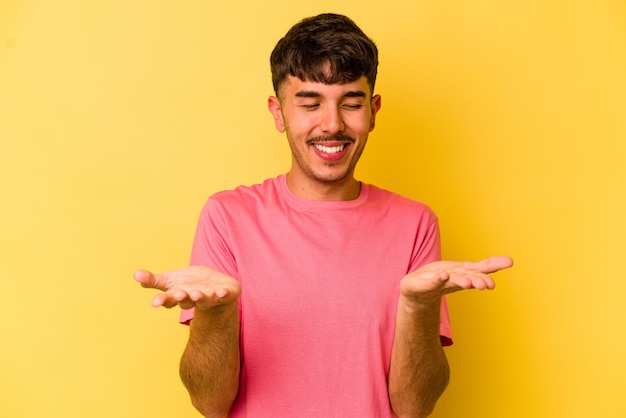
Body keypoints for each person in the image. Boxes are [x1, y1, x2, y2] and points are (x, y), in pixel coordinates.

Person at [134, 13, 513, 418]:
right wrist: (216, 315)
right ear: (278, 112)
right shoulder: (227, 216)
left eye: (351, 104)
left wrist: (419, 310)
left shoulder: (416, 224)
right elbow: (209, 404)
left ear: (374, 110)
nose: (332, 125)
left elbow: (413, 408)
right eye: (310, 104)